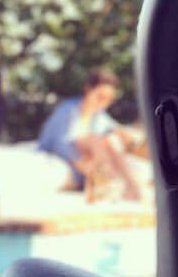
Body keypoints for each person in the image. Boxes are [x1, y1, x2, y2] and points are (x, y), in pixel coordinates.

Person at [37, 68, 142, 201]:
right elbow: (59, 144)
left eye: (109, 99)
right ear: (88, 90)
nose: (103, 102)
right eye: (100, 96)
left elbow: (117, 129)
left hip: (90, 166)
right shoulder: (68, 110)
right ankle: (111, 185)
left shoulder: (98, 116)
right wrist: (82, 165)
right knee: (95, 140)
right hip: (67, 160)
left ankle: (132, 188)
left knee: (110, 141)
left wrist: (126, 136)